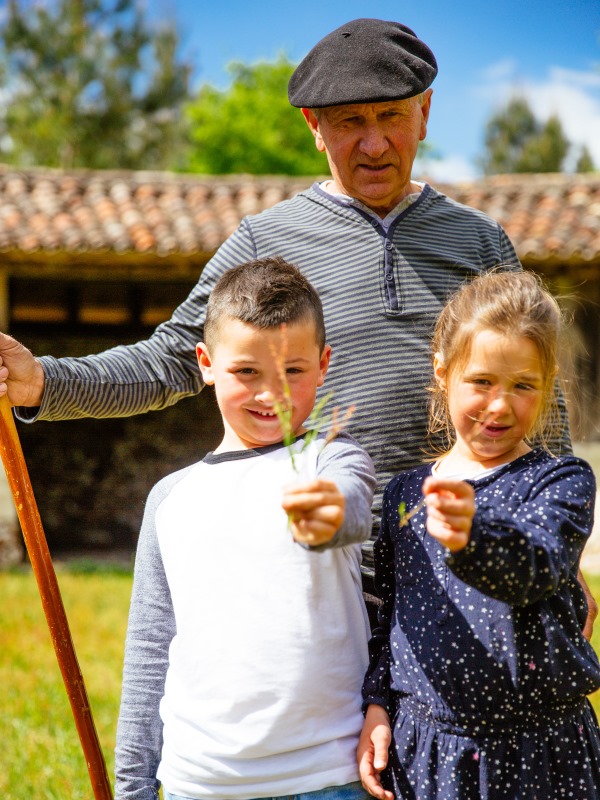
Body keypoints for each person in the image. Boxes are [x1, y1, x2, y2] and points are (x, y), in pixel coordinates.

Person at [0, 18, 593, 628]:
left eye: (390, 116)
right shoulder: (265, 240)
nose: (373, 144)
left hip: (459, 562)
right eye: (349, 122)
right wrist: (42, 381)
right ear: (315, 127)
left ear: (425, 112)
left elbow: (534, 385)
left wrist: (559, 547)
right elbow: (175, 356)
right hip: (323, 569)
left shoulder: (478, 239)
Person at [115, 256, 377, 800]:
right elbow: (150, 650)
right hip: (203, 781)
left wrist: (326, 514)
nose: (269, 395)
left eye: (293, 372)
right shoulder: (171, 499)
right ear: (207, 362)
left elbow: (350, 507)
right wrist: (134, 784)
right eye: (246, 371)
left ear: (323, 365)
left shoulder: (331, 461)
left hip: (329, 775)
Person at [358, 270, 600, 800]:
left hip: (542, 748)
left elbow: (537, 564)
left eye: (523, 385)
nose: (499, 405)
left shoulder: (561, 480)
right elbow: (390, 611)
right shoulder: (405, 493)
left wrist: (474, 534)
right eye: (482, 381)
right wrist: (378, 702)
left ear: (548, 383)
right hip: (429, 749)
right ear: (443, 374)